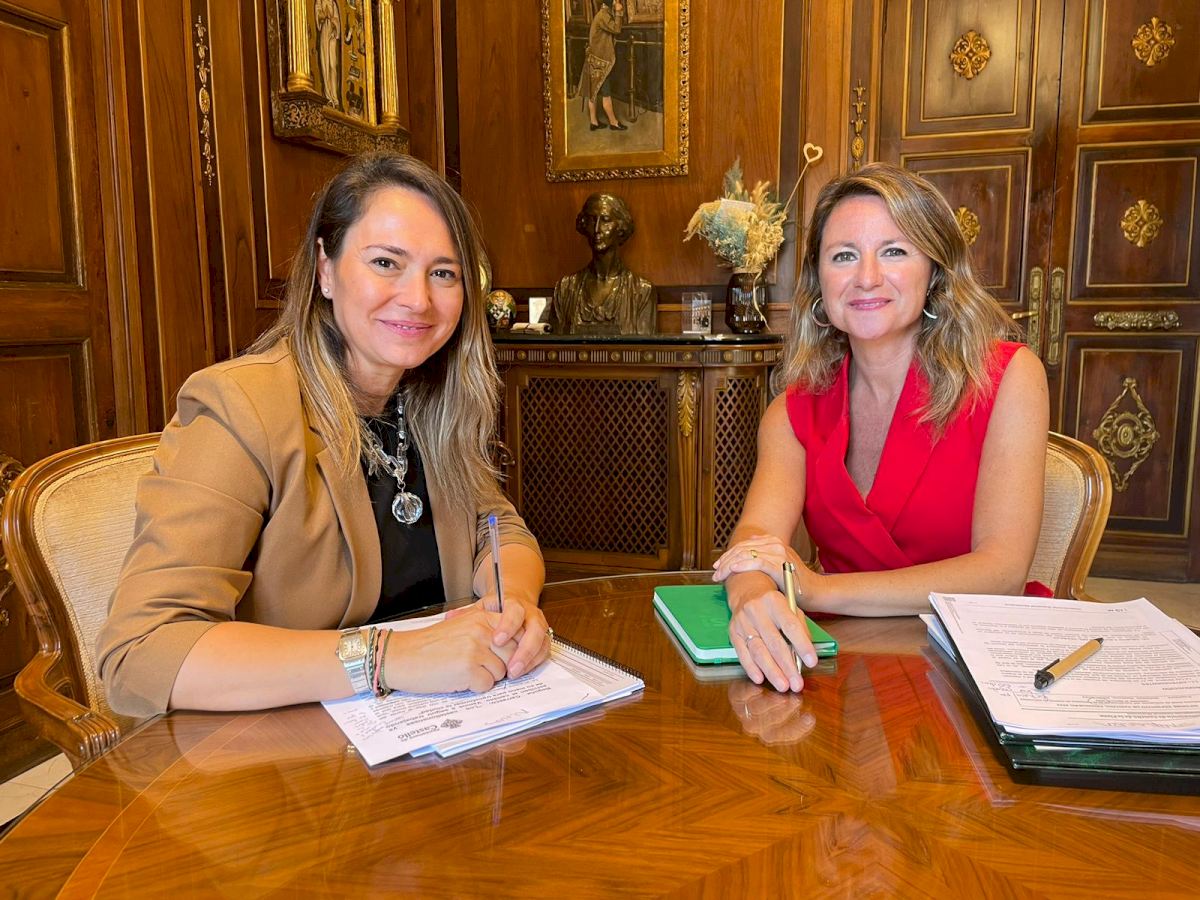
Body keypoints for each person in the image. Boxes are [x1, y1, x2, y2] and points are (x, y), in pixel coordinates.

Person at [97, 153, 549, 718]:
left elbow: (497, 529)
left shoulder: (435, 401)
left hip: (435, 731)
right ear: (325, 269)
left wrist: (513, 605)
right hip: (279, 749)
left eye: (444, 273)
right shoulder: (241, 407)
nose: (419, 299)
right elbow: (140, 654)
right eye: (386, 262)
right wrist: (386, 658)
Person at [712, 163, 1049, 693]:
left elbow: (1001, 572)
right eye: (844, 256)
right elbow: (755, 540)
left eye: (894, 251)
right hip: (845, 665)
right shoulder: (792, 411)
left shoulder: (1007, 377)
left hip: (979, 666)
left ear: (934, 271)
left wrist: (816, 590)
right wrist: (751, 591)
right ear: (819, 283)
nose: (866, 277)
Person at [549, 192, 655, 335]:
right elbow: (555, 346)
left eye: (605, 220)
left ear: (620, 227)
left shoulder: (641, 291)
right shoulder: (565, 289)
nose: (597, 229)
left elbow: (644, 347)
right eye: (592, 220)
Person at [577, 0, 628, 132]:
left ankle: (593, 122)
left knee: (593, 91)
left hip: (594, 59)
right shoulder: (603, 15)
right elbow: (617, 29)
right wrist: (619, 11)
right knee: (606, 93)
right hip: (601, 61)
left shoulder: (603, 13)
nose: (617, 1)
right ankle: (613, 122)